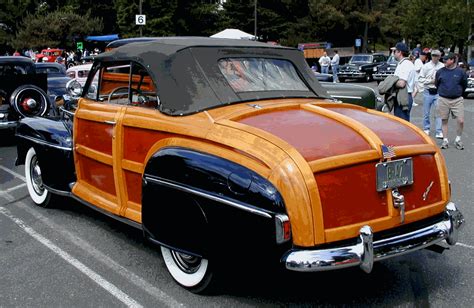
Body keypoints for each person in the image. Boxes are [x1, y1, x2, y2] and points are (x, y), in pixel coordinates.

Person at [435, 52, 468, 149]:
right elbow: (437, 83)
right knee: (444, 120)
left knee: (461, 120)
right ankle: (445, 140)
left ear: (453, 60)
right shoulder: (440, 72)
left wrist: (458, 92)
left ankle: (458, 139)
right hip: (443, 99)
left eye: (447, 59)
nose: (444, 61)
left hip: (457, 100)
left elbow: (464, 84)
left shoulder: (461, 72)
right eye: (444, 59)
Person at [419, 49, 444, 138]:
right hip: (428, 91)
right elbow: (420, 79)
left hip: (438, 92)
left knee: (438, 112)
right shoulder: (426, 66)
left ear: (439, 56)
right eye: (433, 55)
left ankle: (439, 130)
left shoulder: (442, 66)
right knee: (426, 112)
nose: (435, 57)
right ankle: (426, 128)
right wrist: (430, 81)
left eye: (436, 55)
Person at [393, 42, 416, 121]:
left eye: (395, 51)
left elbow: (402, 83)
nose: (393, 53)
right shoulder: (402, 63)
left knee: (402, 124)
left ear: (400, 52)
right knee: (399, 123)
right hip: (402, 96)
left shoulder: (405, 64)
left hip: (403, 96)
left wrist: (390, 83)